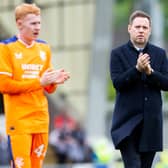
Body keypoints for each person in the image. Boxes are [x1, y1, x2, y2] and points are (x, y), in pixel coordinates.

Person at [0, 3, 70, 168]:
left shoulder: (44, 48)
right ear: (19, 24)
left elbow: (48, 88)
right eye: (33, 23)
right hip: (19, 121)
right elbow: (4, 85)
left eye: (39, 23)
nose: (37, 27)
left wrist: (54, 82)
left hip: (40, 119)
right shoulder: (6, 48)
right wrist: (39, 82)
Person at [110, 10, 168, 168]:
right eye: (137, 27)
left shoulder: (159, 54)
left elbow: (166, 83)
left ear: (149, 30)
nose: (141, 30)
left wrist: (150, 73)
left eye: (144, 27)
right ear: (130, 28)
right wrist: (136, 69)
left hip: (151, 124)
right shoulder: (117, 54)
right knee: (133, 165)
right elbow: (118, 83)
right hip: (126, 124)